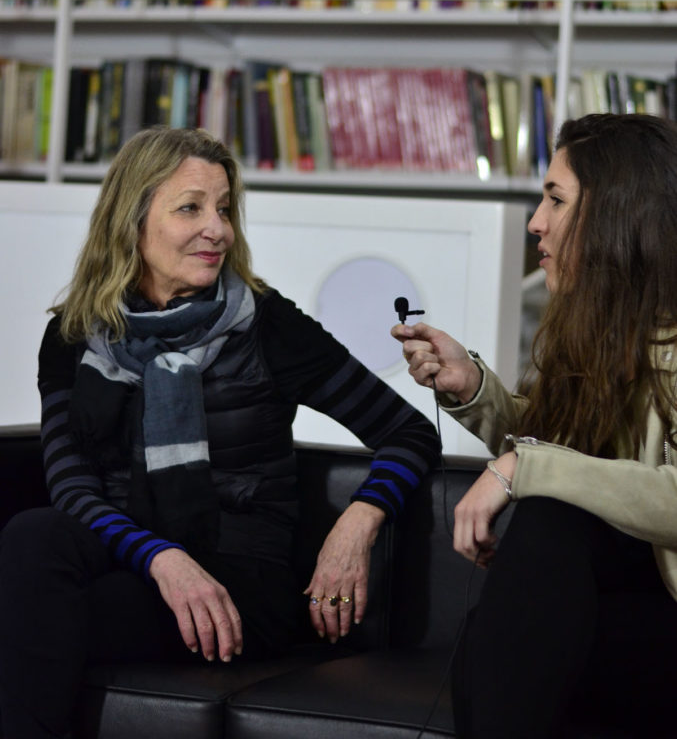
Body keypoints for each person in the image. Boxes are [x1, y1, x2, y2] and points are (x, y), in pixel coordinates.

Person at [0, 126, 440, 739]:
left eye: (224, 209)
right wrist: (160, 556)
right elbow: (70, 486)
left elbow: (409, 431)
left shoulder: (268, 325)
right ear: (132, 220)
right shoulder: (74, 334)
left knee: (36, 617)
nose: (218, 230)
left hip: (242, 578)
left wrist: (355, 525)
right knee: (33, 535)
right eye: (191, 208)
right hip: (141, 556)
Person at [392, 112, 677, 739]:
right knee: (498, 626)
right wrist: (475, 388)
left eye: (556, 200)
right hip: (633, 603)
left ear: (617, 215)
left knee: (543, 535)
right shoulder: (599, 328)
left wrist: (524, 466)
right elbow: (569, 453)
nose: (535, 223)